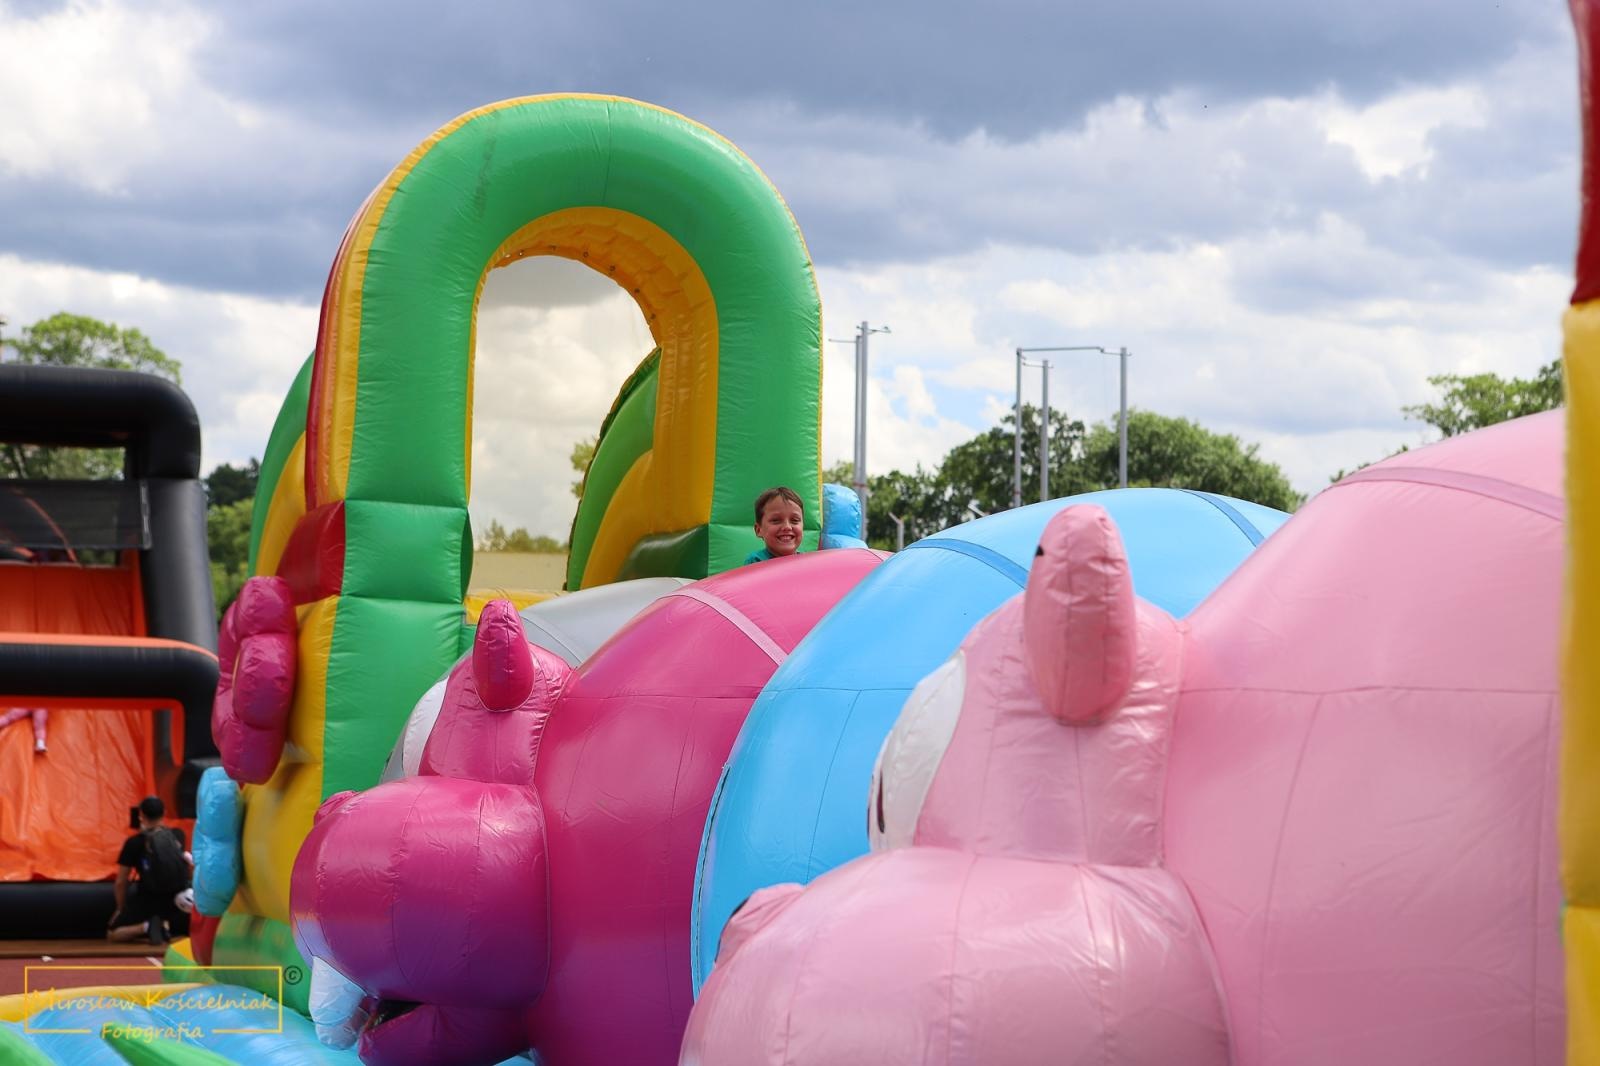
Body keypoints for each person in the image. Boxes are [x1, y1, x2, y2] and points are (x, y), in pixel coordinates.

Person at [108, 796, 192, 945]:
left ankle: (146, 927)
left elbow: (121, 881)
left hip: (148, 899)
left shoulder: (134, 843)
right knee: (166, 912)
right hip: (176, 900)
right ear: (164, 813)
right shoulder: (177, 835)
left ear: (141, 816)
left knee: (113, 934)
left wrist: (120, 908)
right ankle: (164, 925)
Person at [743, 487, 805, 565]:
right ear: (759, 530)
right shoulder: (756, 561)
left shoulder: (805, 562)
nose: (787, 527)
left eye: (794, 520)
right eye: (776, 521)